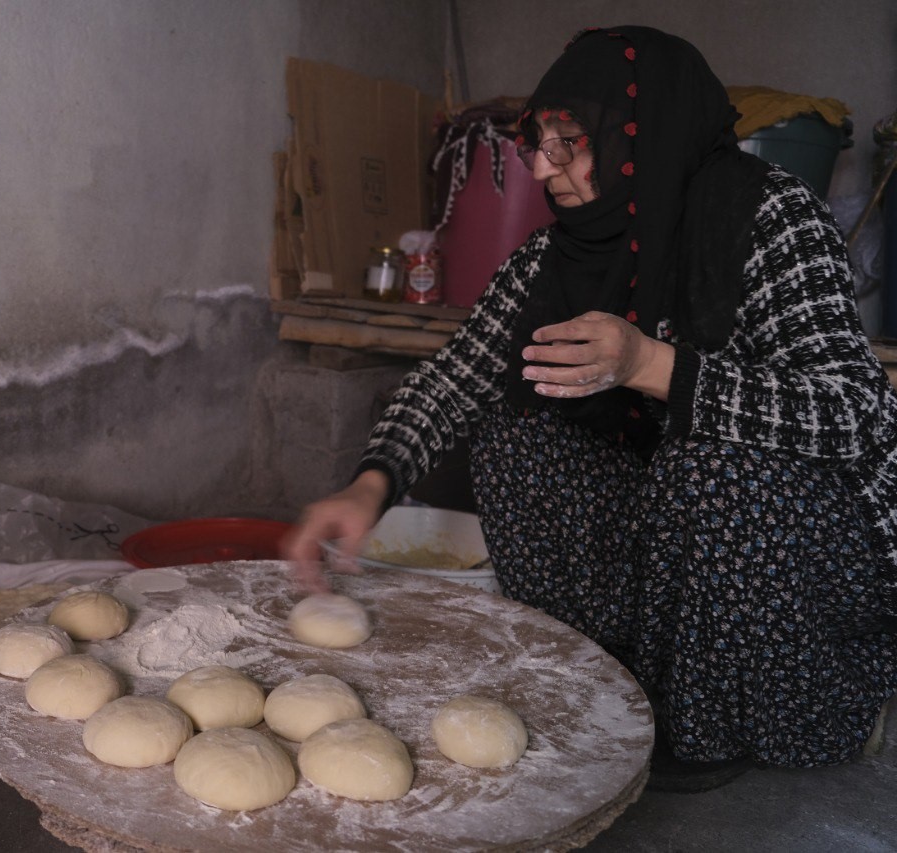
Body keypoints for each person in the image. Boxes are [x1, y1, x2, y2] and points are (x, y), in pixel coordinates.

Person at [283, 25, 897, 792]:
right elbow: (456, 379)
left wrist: (650, 364)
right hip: (674, 536)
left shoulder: (768, 218)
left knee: (708, 461)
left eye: (569, 143)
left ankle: (738, 720)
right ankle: (611, 676)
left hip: (803, 562)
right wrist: (369, 484)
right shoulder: (559, 256)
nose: (544, 168)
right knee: (515, 438)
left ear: (640, 135)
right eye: (537, 145)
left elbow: (855, 412)